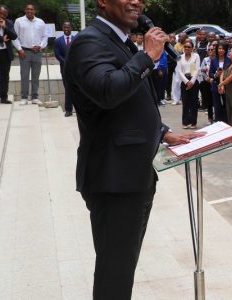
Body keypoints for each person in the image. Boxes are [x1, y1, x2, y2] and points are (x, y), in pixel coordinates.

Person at [63, 2, 200, 296]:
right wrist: (148, 56)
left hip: (133, 175)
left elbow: (132, 103)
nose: (137, 2)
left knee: (123, 267)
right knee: (115, 273)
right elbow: (107, 92)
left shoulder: (120, 42)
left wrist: (163, 132)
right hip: (114, 178)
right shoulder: (90, 42)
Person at [12, 4, 46, 105]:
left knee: (36, 75)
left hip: (37, 52)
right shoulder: (19, 21)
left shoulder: (40, 22)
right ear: (25, 10)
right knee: (24, 75)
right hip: (24, 52)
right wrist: (19, 49)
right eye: (27, 9)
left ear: (35, 11)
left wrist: (40, 46)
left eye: (31, 9)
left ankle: (35, 97)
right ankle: (24, 97)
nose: (29, 11)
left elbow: (45, 37)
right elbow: (14, 37)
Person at [177, 40, 201, 128]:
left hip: (194, 80)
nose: (186, 48)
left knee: (193, 102)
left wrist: (192, 81)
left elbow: (196, 69)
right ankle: (185, 122)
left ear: (192, 48)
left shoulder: (196, 56)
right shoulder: (180, 57)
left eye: (189, 47)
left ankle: (193, 122)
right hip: (184, 81)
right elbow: (179, 71)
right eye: (185, 47)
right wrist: (187, 82)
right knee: (185, 102)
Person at [54, 21, 75, 116]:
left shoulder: (76, 39)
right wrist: (65, 62)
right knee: (68, 88)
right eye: (64, 27)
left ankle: (79, 109)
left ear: (71, 28)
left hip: (76, 69)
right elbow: (57, 54)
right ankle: (68, 109)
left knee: (77, 89)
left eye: (68, 27)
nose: (66, 29)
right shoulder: (58, 41)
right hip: (64, 68)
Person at [209, 42, 229, 122]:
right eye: (219, 49)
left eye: (222, 49)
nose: (221, 50)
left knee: (225, 104)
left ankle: (226, 121)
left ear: (225, 50)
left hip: (226, 85)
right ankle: (217, 121)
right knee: (216, 105)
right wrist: (215, 75)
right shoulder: (213, 60)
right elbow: (210, 73)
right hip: (216, 85)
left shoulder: (229, 60)